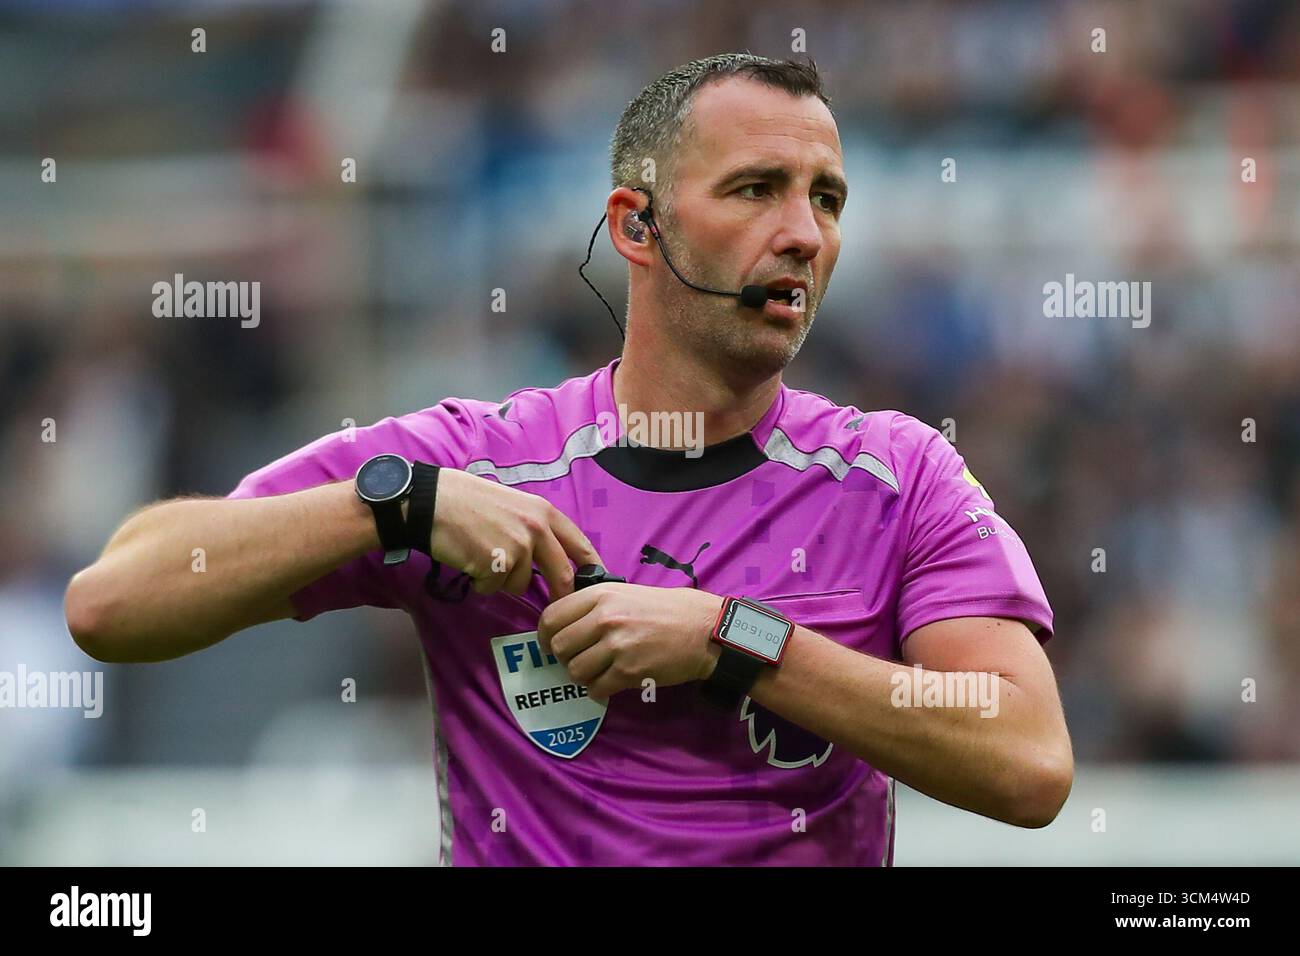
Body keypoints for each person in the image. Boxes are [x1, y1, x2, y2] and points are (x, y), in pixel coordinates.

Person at [64, 53, 1072, 865]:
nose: (804, 234)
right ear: (637, 226)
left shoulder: (898, 477)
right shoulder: (475, 460)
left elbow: (1026, 757)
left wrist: (737, 640)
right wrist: (395, 505)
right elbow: (111, 603)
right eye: (758, 190)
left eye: (828, 198)